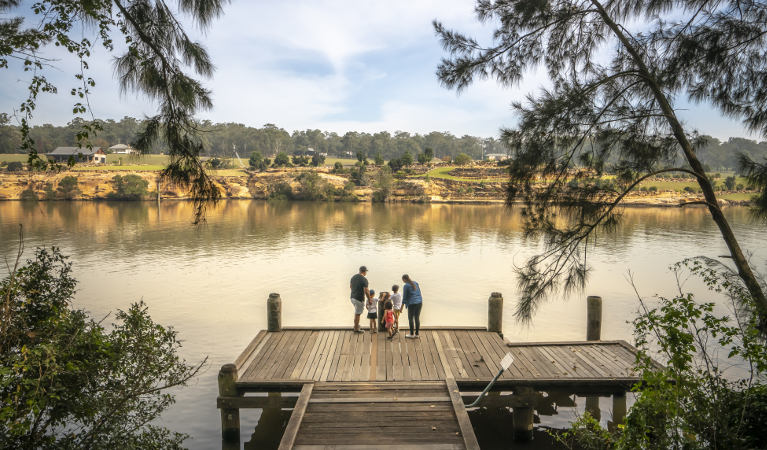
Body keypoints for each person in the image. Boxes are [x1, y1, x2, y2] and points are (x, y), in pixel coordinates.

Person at [350, 266, 370, 333]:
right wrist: (369, 299)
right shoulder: (364, 279)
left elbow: (350, 286)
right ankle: (356, 329)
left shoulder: (353, 277)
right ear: (364, 272)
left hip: (352, 297)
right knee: (357, 314)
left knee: (357, 312)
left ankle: (356, 325)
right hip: (359, 299)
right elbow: (366, 291)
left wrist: (355, 291)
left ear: (359, 270)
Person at [401, 274, 422, 338]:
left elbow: (404, 297)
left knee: (410, 319)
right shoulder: (416, 283)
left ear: (404, 279)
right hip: (419, 302)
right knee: (417, 318)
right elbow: (419, 293)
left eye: (403, 280)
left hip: (412, 303)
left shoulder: (406, 286)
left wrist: (401, 307)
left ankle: (412, 334)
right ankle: (417, 334)